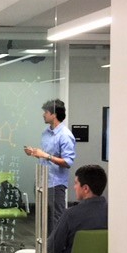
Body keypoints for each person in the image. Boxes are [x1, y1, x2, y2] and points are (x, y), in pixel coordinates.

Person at [24, 99, 76, 233]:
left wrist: (45, 156)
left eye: (46, 112)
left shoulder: (65, 135)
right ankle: (45, 250)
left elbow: (68, 162)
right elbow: (46, 155)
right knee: (43, 220)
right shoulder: (45, 133)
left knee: (56, 219)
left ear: (54, 115)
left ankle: (55, 251)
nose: (43, 115)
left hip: (55, 184)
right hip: (41, 181)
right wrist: (35, 153)